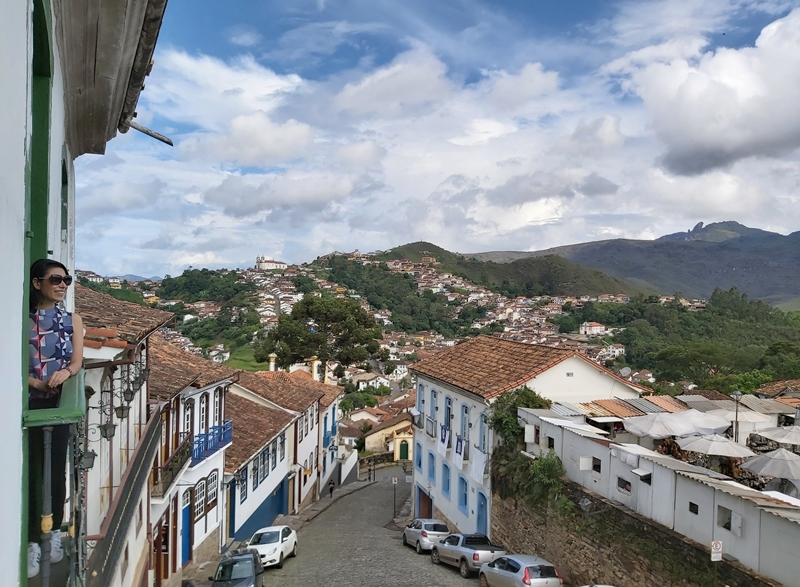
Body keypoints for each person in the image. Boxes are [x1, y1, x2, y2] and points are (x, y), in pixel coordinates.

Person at [27, 259, 84, 578]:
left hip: (59, 404)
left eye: (67, 280)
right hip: (30, 402)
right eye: (55, 280)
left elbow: (76, 361)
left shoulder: (72, 320)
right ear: (38, 284)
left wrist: (64, 373)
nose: (62, 285)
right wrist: (34, 382)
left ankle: (51, 533)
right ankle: (34, 541)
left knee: (55, 473)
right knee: (35, 471)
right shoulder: (23, 321)